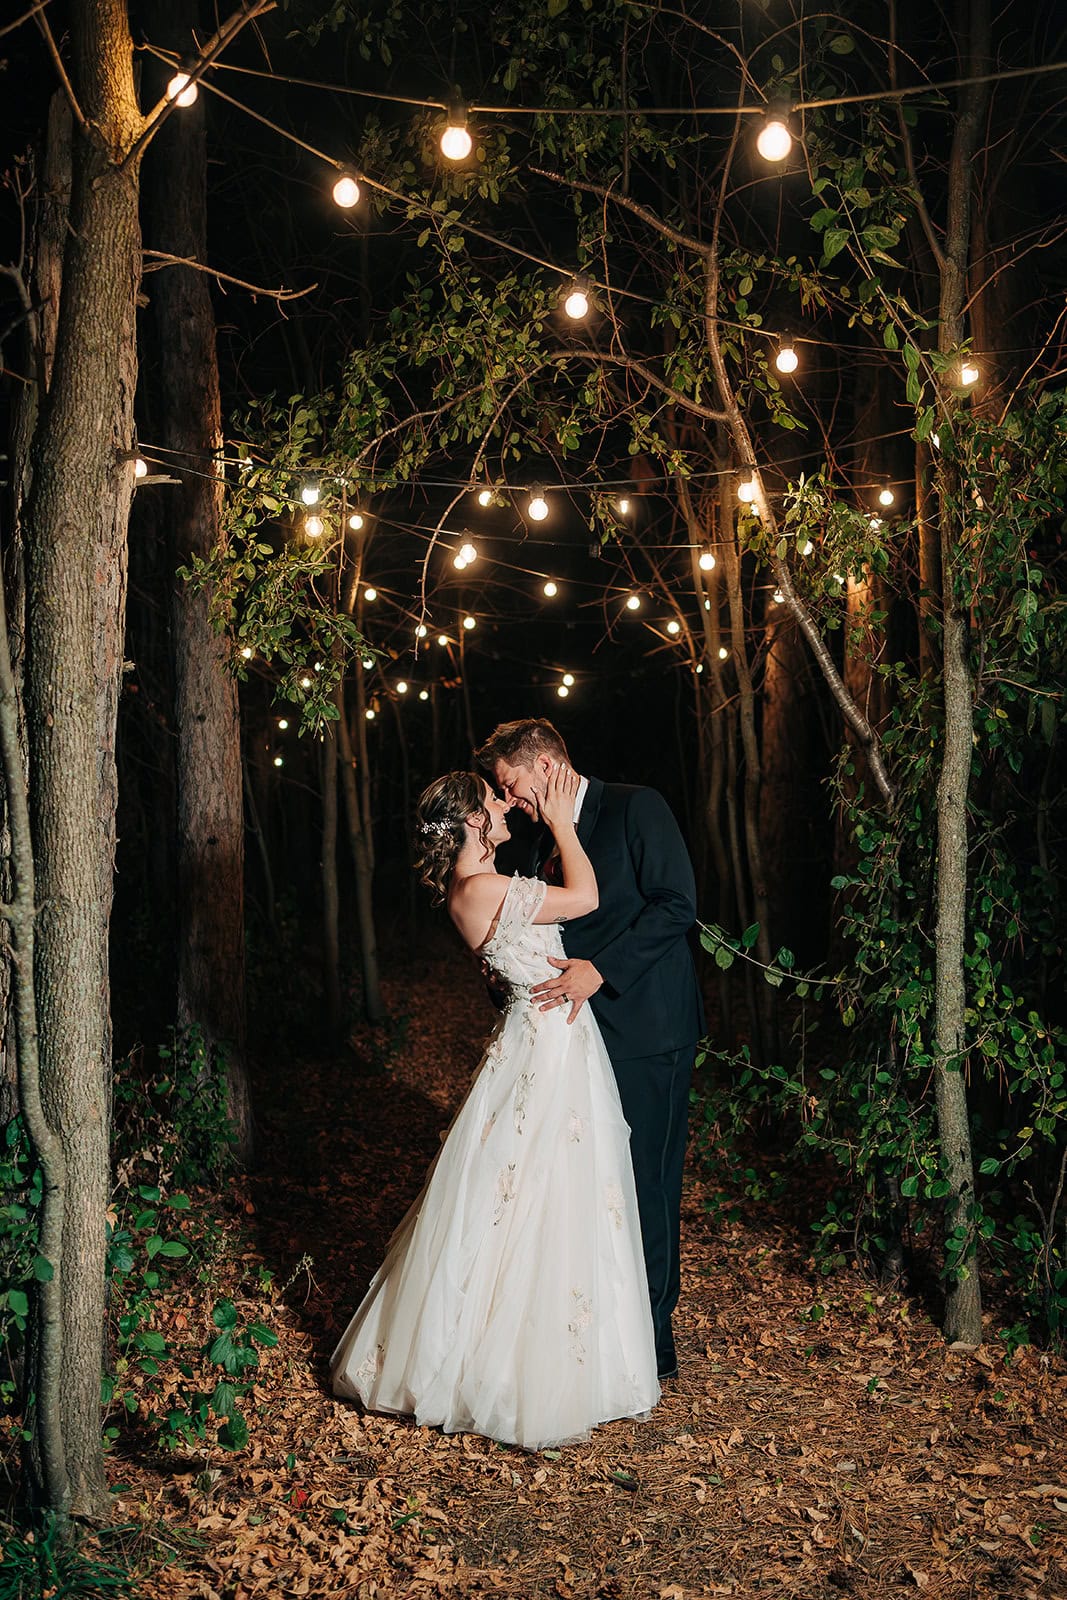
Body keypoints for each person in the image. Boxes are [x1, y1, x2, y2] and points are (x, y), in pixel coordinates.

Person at [330, 764, 659, 1451]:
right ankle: (497, 1362)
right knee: (521, 1192)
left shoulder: (477, 886)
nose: (505, 805)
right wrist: (565, 826)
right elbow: (586, 897)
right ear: (473, 822)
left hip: (548, 1040)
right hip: (541, 1051)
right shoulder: (480, 886)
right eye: (493, 800)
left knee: (543, 1189)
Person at [475, 719, 703, 1382]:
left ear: (545, 765)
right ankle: (597, 1335)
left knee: (645, 1184)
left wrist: (599, 970)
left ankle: (653, 1345)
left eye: (512, 786)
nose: (510, 801)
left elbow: (674, 905)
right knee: (590, 1188)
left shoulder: (636, 807)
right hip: (569, 1045)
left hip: (646, 1029)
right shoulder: (539, 843)